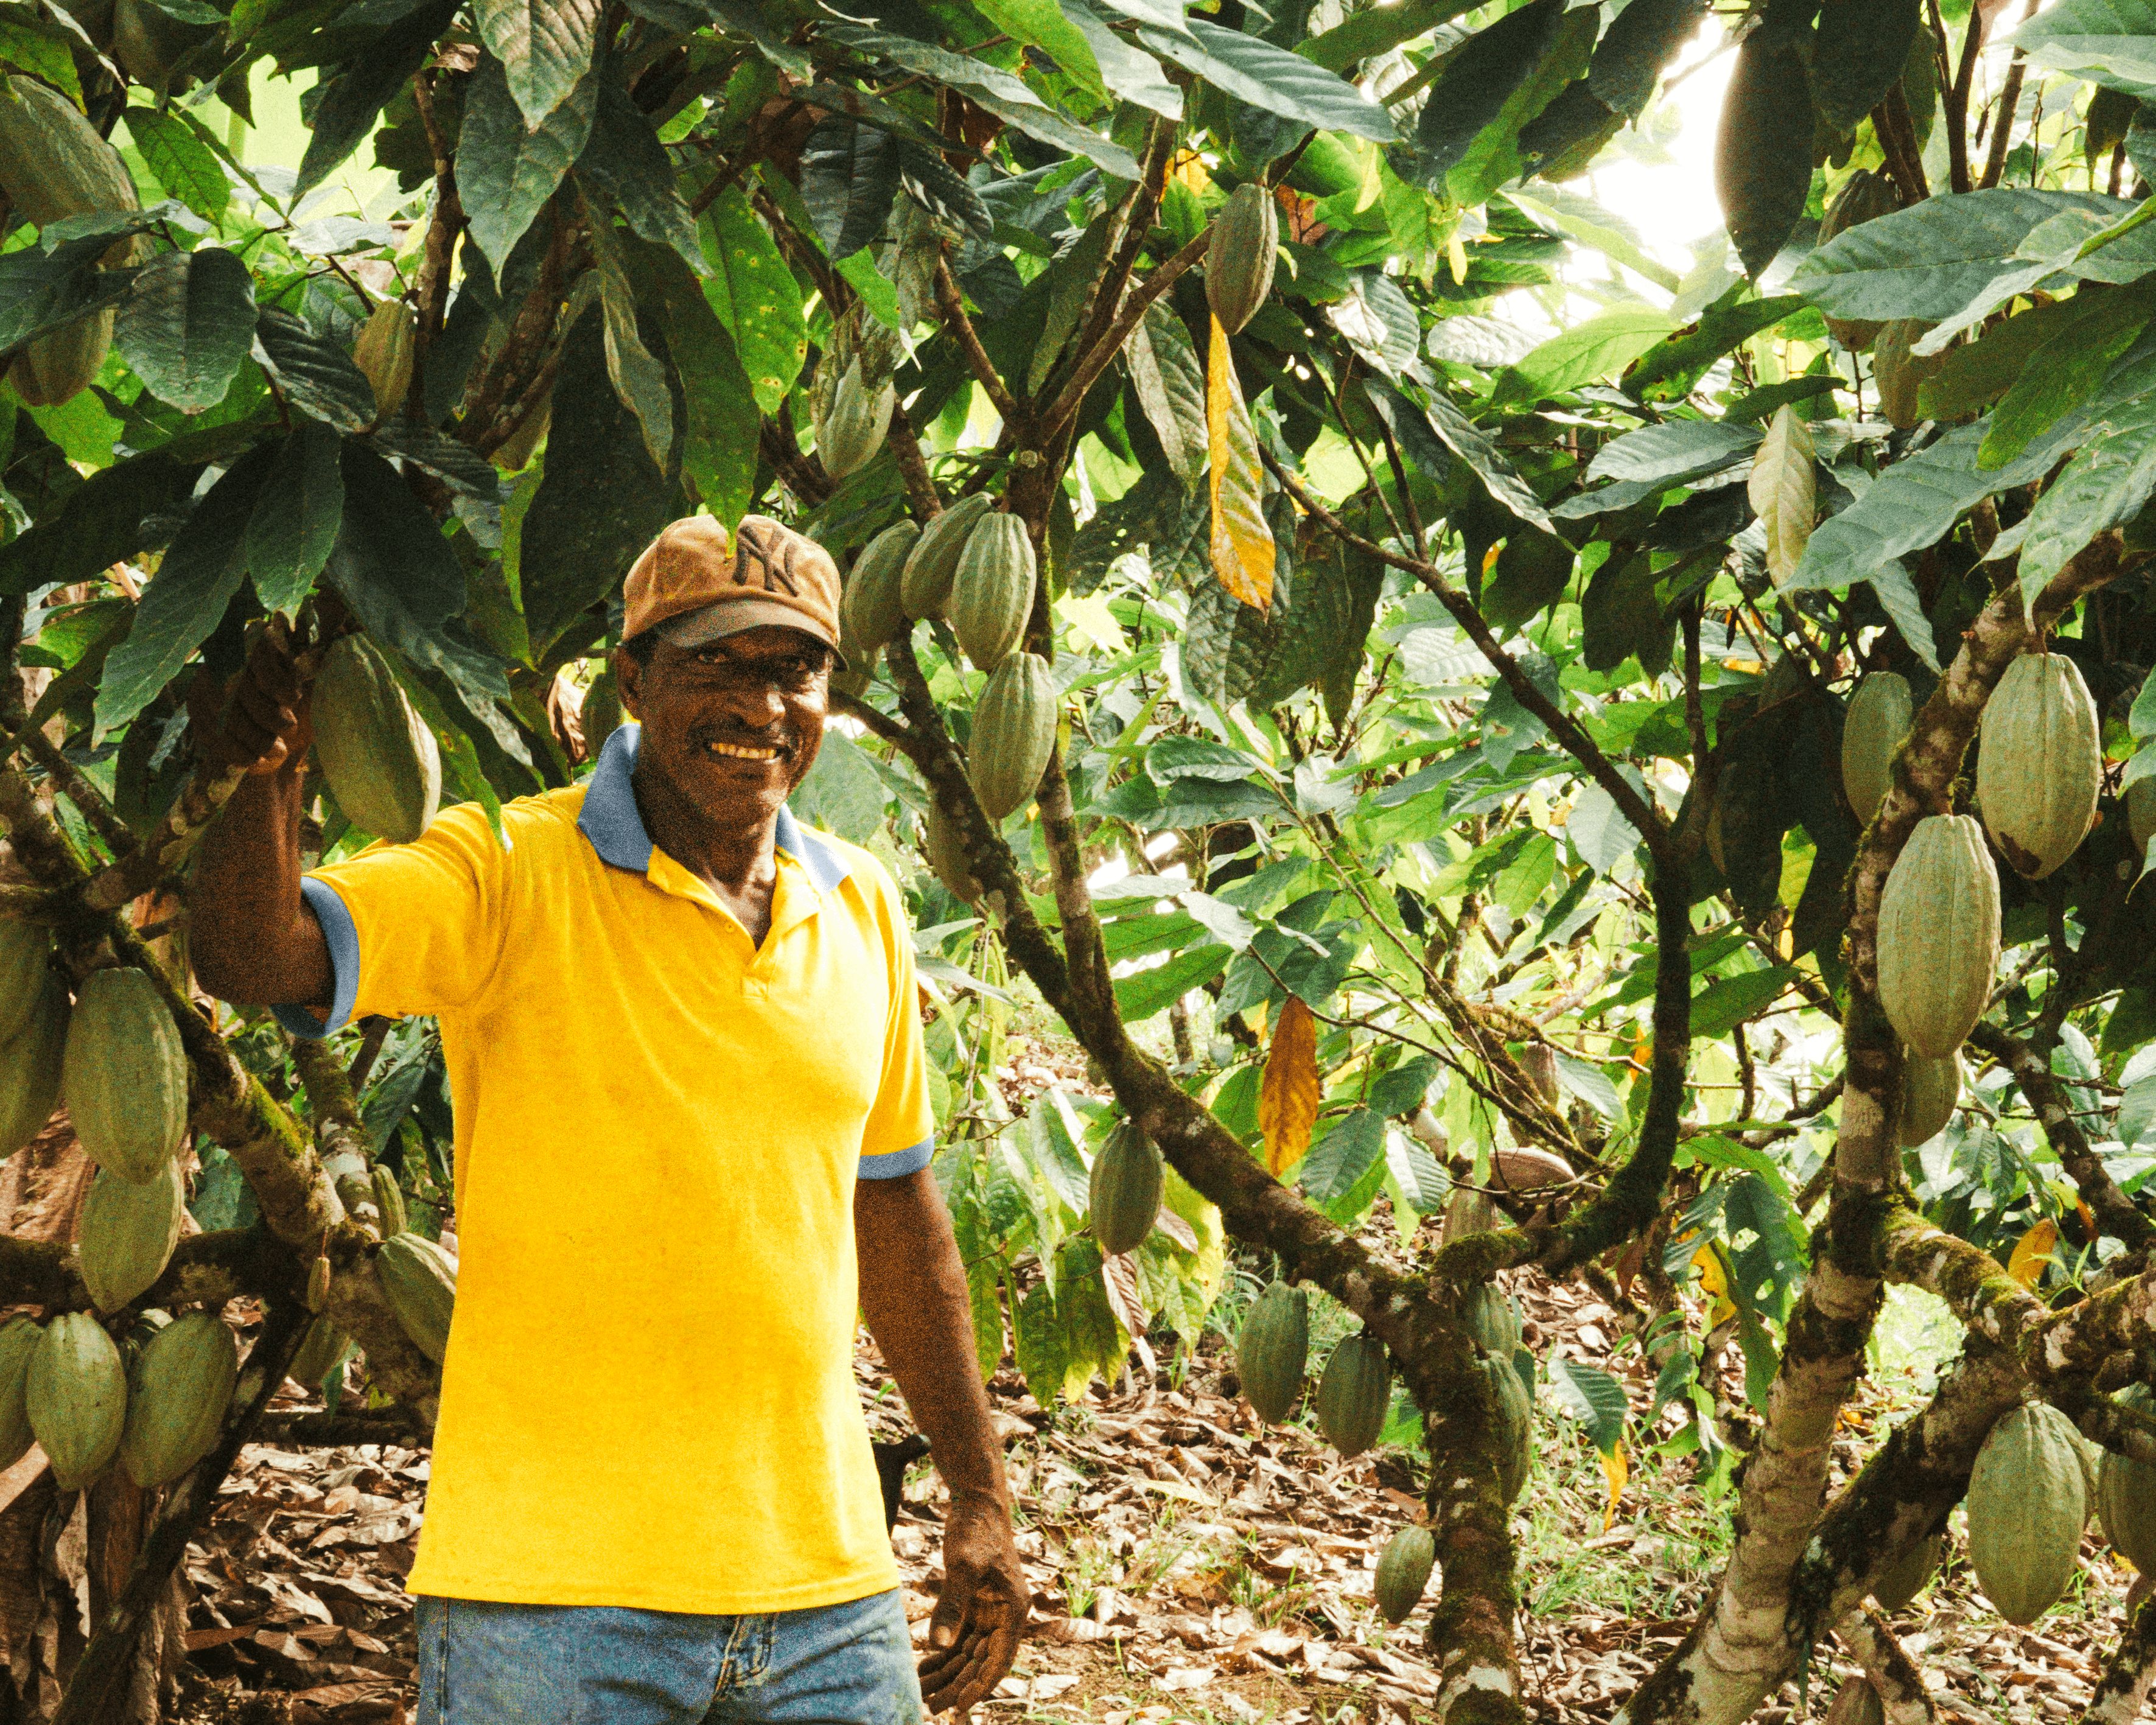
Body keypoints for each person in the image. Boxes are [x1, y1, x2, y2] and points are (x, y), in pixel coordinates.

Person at [189, 513, 1026, 1724]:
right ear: (631, 681)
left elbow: (891, 1207)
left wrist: (977, 1493)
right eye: (717, 665)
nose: (763, 705)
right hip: (552, 1600)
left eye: (795, 669)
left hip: (825, 1593)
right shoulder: (506, 871)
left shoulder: (863, 906)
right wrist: (267, 778)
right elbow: (255, 954)